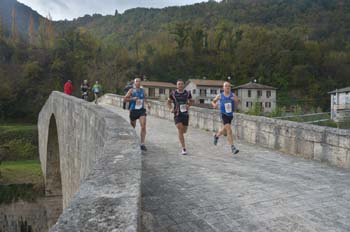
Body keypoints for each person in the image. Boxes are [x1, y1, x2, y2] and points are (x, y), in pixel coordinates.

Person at [211, 82, 240, 154]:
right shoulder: (220, 96)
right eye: (226, 86)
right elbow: (213, 101)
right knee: (229, 130)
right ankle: (233, 147)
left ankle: (216, 136)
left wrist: (236, 100)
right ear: (223, 88)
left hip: (230, 115)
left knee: (224, 130)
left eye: (229, 86)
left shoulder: (233, 95)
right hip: (223, 114)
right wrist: (214, 105)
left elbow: (238, 102)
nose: (227, 87)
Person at [124, 78, 151, 151]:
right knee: (133, 126)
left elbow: (145, 99)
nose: (138, 83)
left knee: (143, 125)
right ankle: (132, 140)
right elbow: (125, 99)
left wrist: (148, 104)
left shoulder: (143, 91)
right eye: (136, 81)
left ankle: (142, 144)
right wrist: (132, 99)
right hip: (133, 111)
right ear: (134, 83)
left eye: (139, 81)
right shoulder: (131, 90)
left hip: (141, 111)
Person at [167, 79, 193, 155]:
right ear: (176, 85)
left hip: (185, 114)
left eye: (181, 84)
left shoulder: (187, 93)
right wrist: (171, 108)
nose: (180, 85)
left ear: (183, 85)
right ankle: (183, 148)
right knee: (180, 128)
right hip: (177, 114)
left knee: (184, 131)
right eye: (179, 84)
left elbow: (191, 101)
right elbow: (168, 102)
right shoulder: (173, 93)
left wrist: (188, 105)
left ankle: (181, 138)